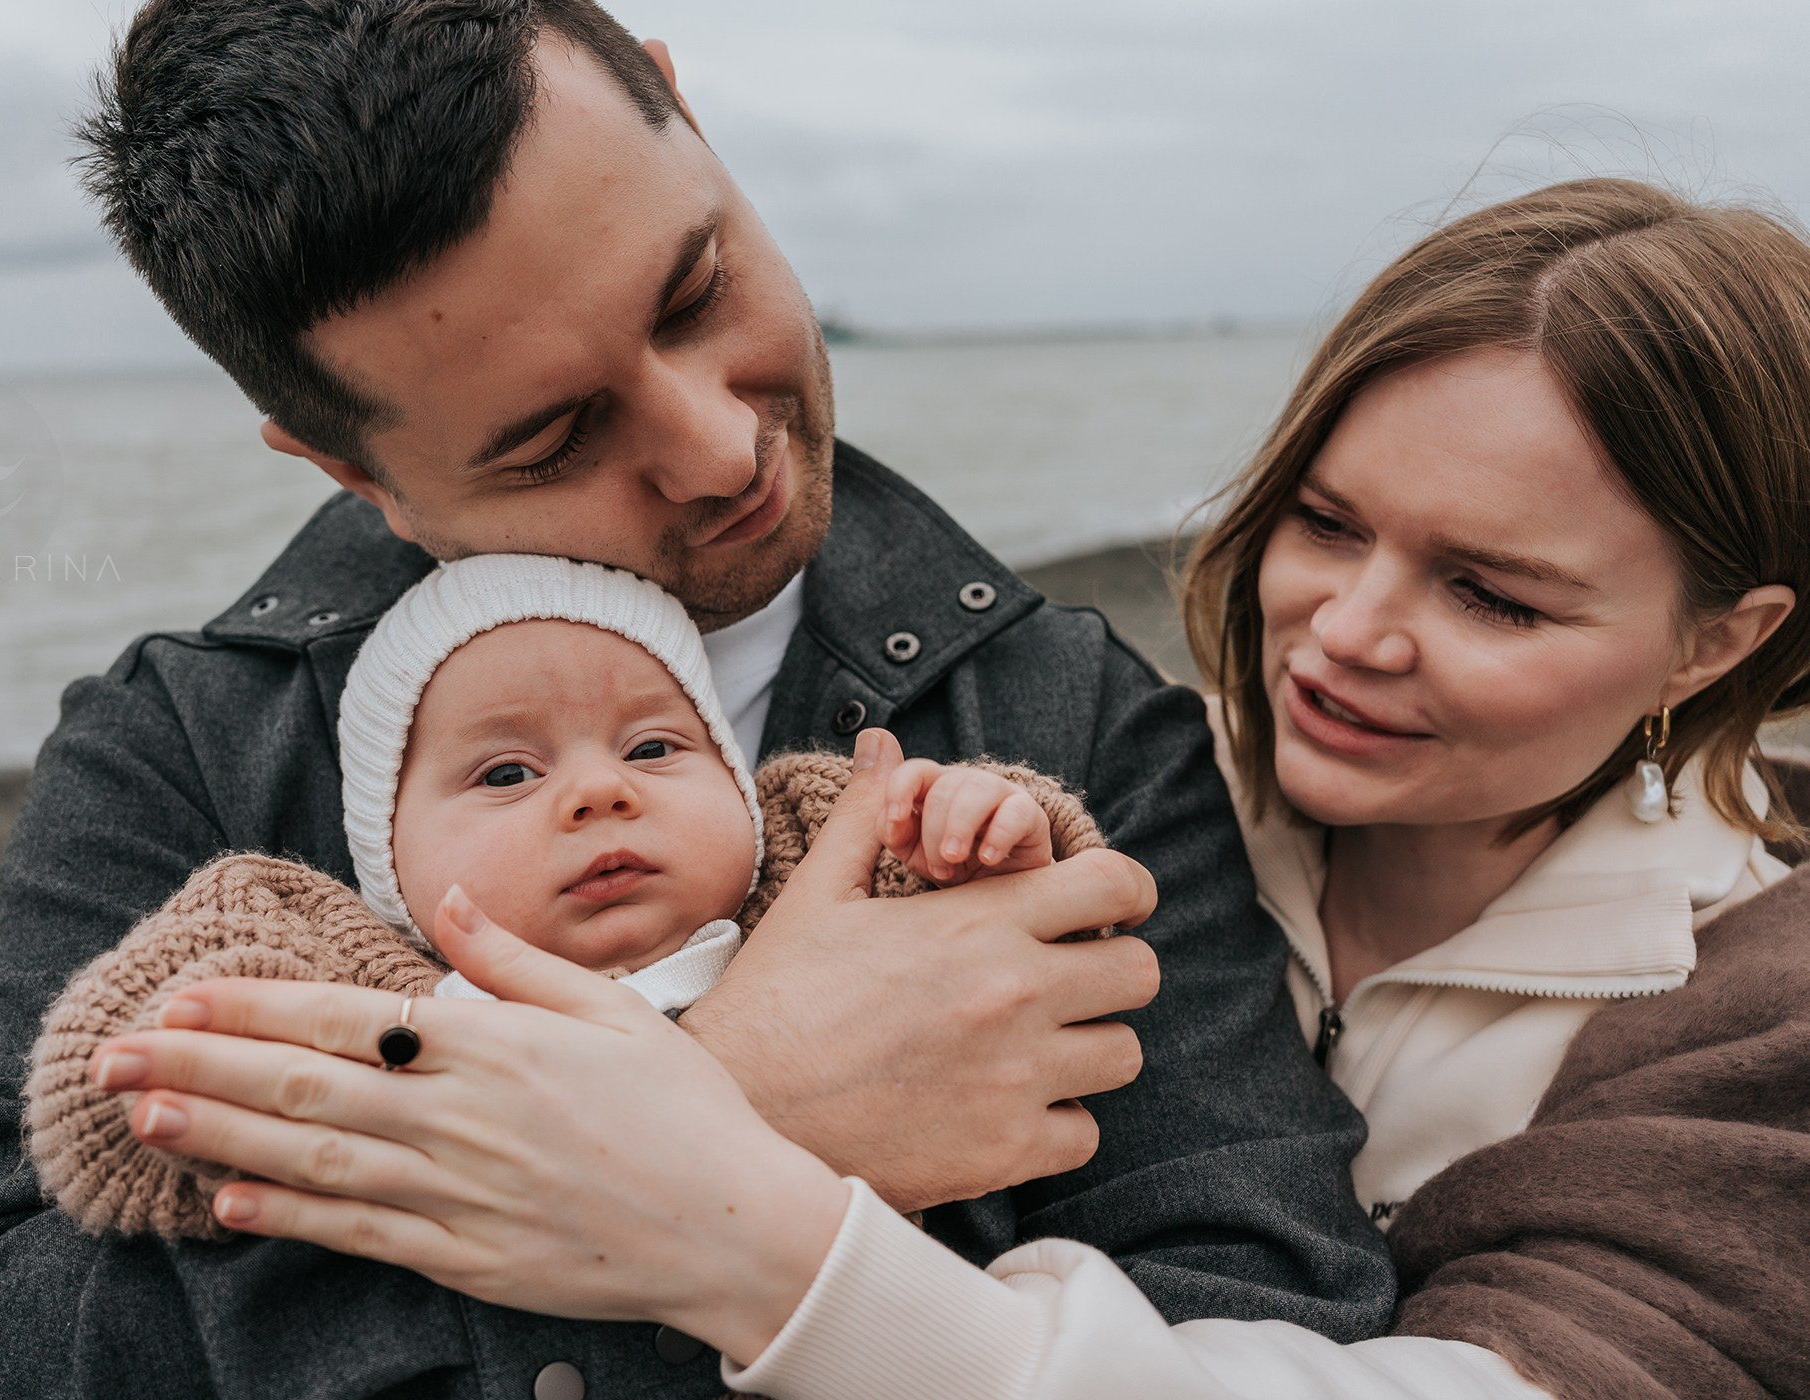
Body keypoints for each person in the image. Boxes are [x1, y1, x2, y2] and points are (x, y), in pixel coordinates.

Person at [0, 3, 1395, 1396]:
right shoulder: (184, 755)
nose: (721, 449)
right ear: (346, 468)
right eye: (552, 438)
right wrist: (728, 1107)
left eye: (695, 287)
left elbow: (1272, 1312)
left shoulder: (1056, 720)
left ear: (683, 110)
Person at [114, 179, 1810, 1399]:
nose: (1345, 634)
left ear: (1714, 645)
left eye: (1494, 595)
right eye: (1329, 521)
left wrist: (742, 1196)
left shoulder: (1757, 1010)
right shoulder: (1118, 777)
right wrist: (743, 1082)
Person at [23, 553, 1106, 1239]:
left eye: (654, 743)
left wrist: (982, 829)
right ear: (386, 858)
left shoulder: (801, 853)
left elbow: (1049, 913)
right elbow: (101, 1103)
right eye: (505, 772)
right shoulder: (349, 956)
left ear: (736, 779)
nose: (599, 789)